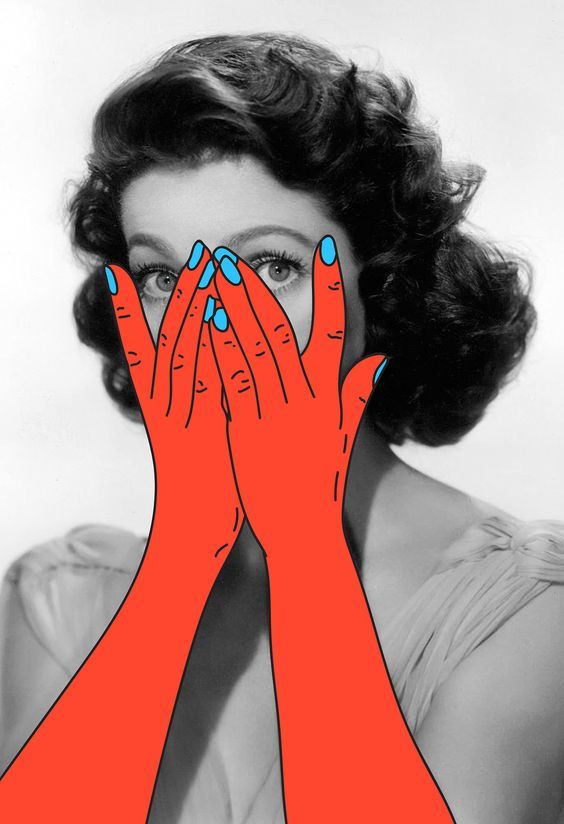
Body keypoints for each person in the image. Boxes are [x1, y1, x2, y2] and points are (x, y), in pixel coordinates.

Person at [1, 31, 563, 823]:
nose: (212, 323)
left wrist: (304, 545)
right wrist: (183, 552)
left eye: (271, 266)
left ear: (384, 287)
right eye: (162, 276)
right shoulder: (57, 599)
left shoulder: (527, 611)